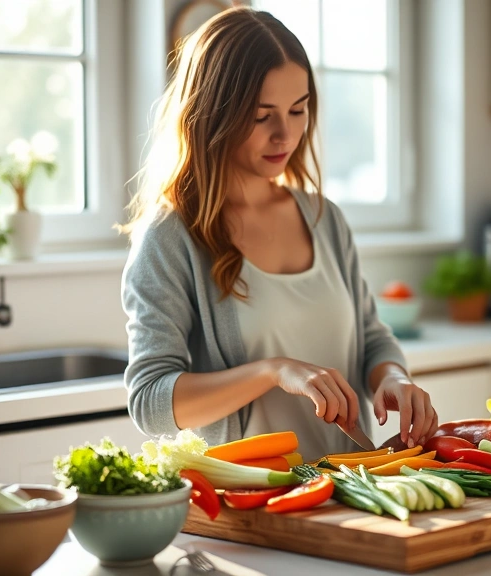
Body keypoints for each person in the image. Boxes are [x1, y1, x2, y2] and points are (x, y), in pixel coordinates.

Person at [119, 7, 438, 461]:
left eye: (298, 109)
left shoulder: (323, 218)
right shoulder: (171, 238)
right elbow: (150, 402)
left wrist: (393, 379)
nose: (284, 134)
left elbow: (372, 340)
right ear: (213, 114)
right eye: (261, 114)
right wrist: (273, 371)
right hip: (255, 508)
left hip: (349, 491)